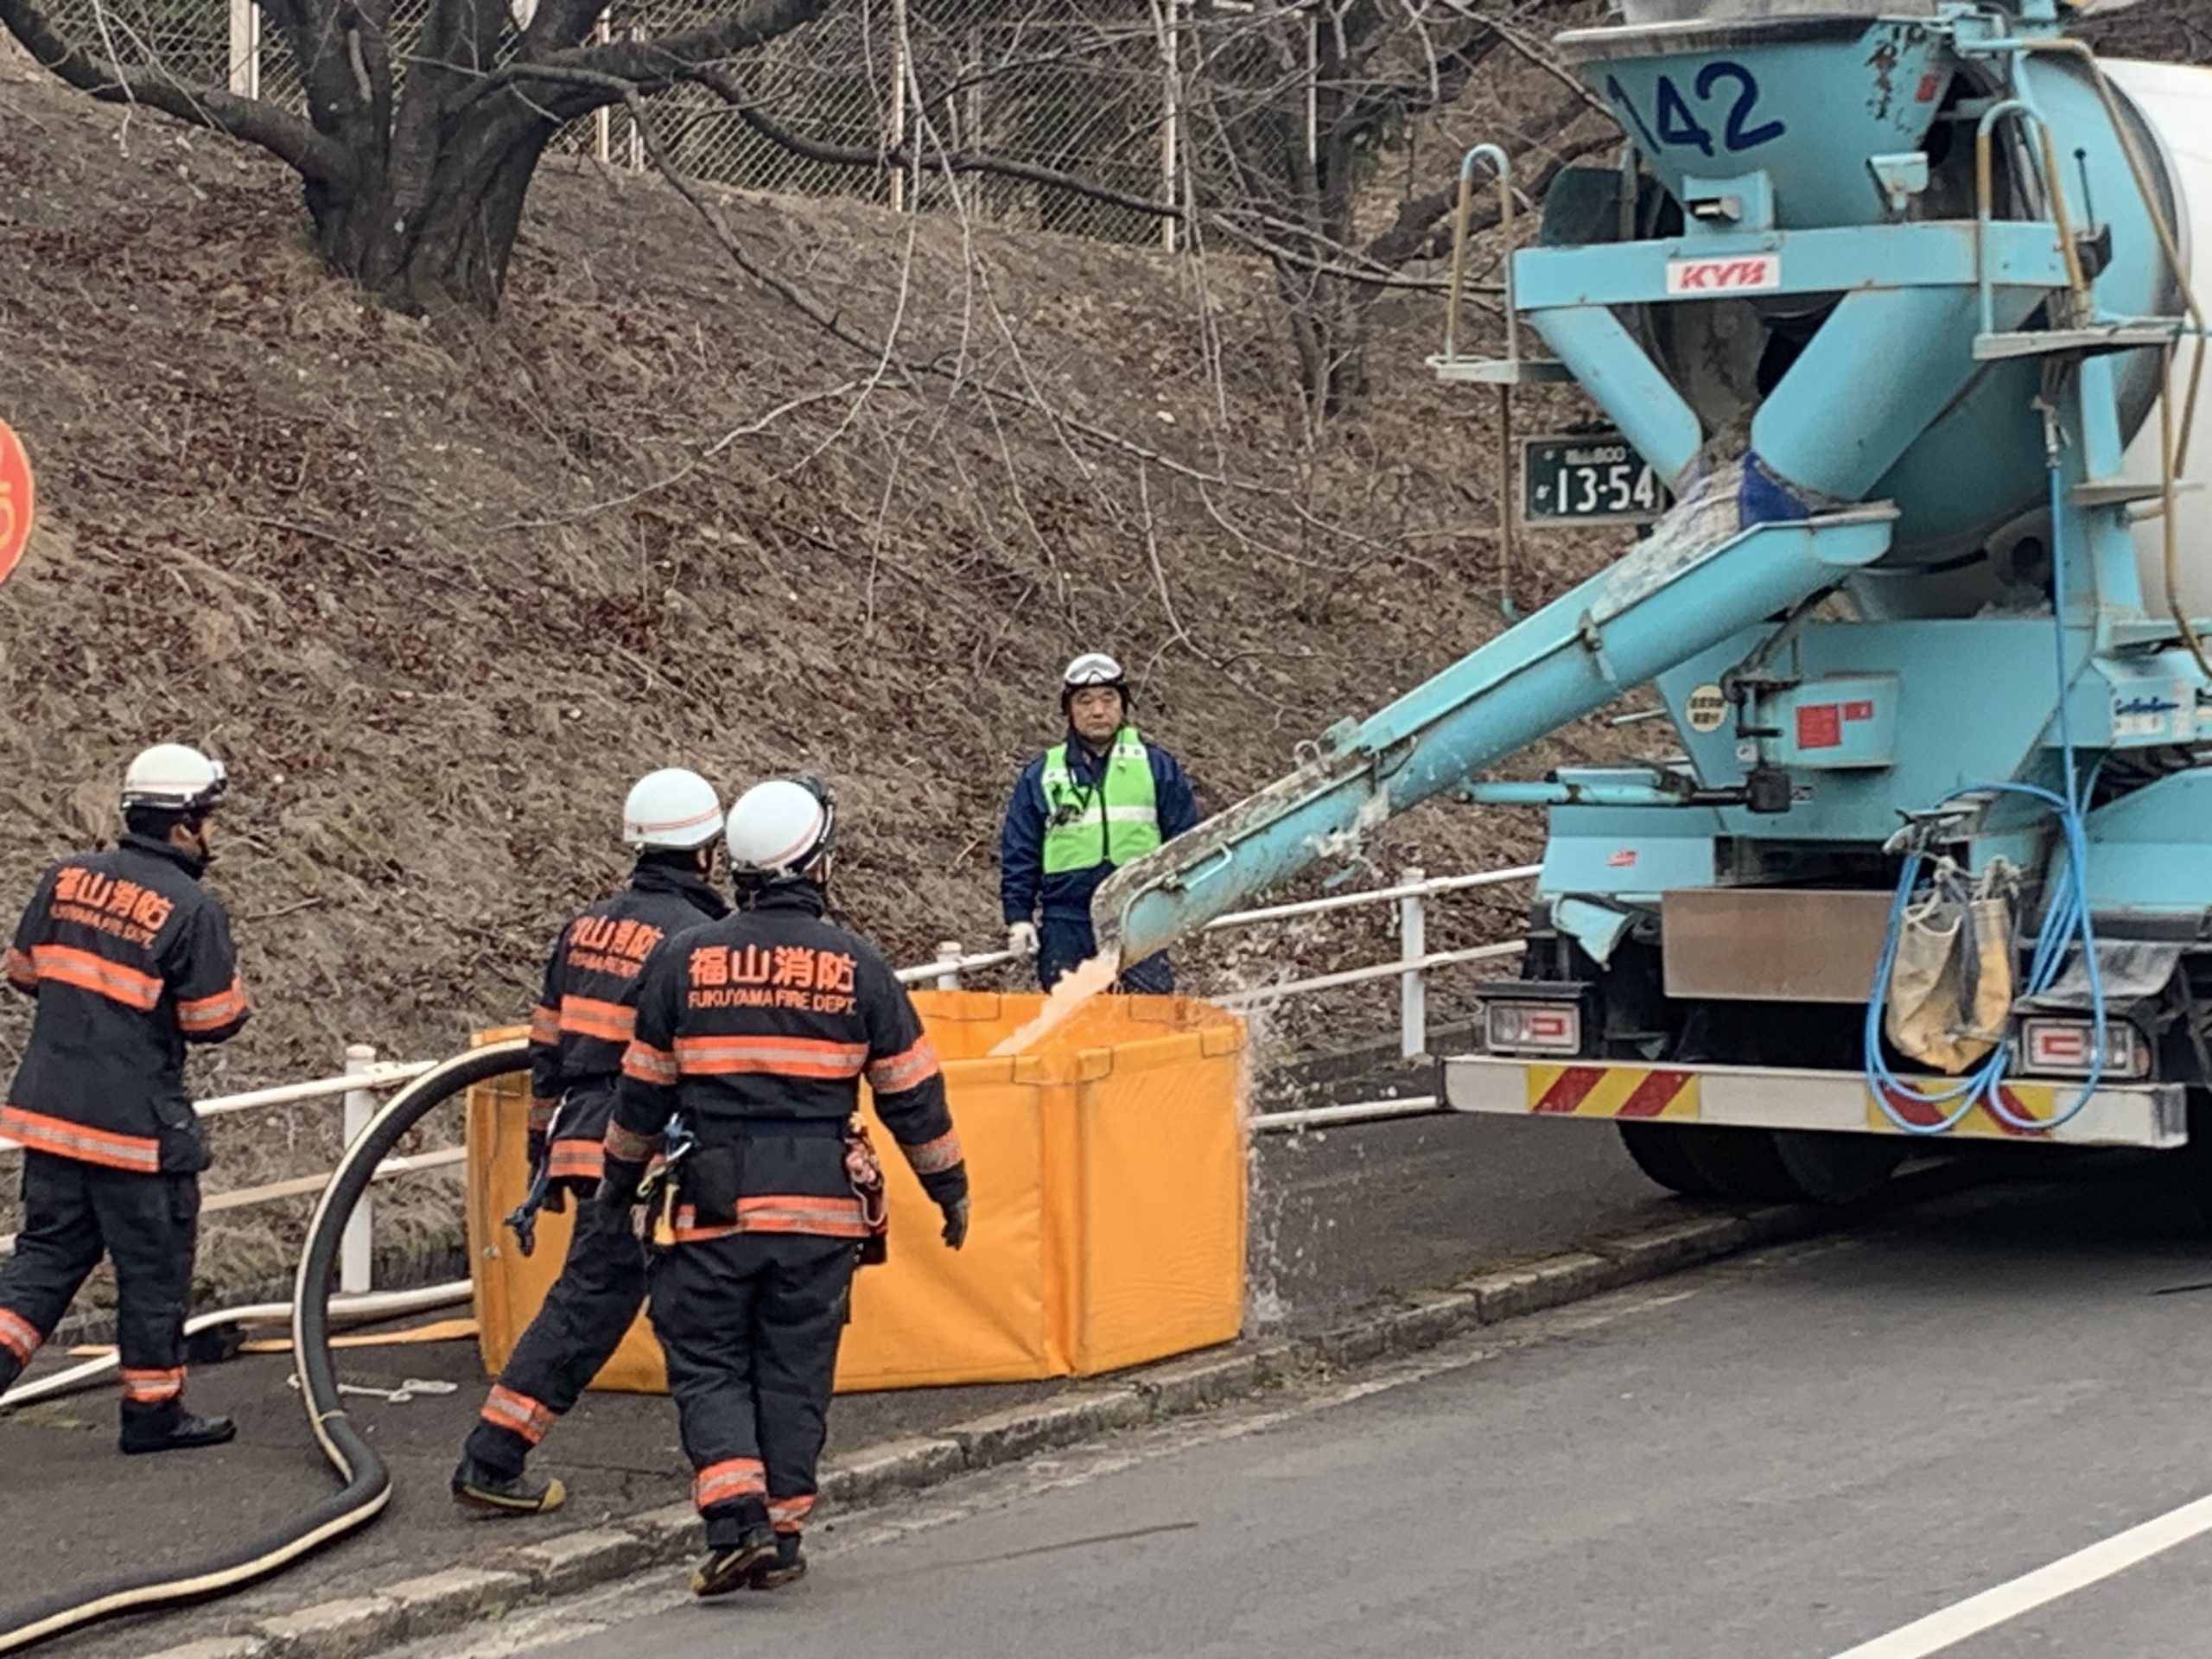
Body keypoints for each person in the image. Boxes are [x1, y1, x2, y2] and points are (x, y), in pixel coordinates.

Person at [596, 774, 970, 1596]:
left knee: (708, 1358)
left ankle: (737, 1519)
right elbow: (912, 1095)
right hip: (821, 1209)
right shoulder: (859, 966)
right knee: (795, 1367)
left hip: (713, 1202)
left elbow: (641, 1094)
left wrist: (616, 1185)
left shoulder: (684, 959)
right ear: (817, 866)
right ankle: (786, 1530)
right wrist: (950, 1190)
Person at [451, 767, 730, 1516]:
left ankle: (735, 1471)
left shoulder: (586, 927)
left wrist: (540, 1150)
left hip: (582, 1139)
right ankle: (493, 1456)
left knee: (600, 1301)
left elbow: (546, 1045)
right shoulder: (695, 939)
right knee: (635, 1310)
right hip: (650, 1153)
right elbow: (690, 1062)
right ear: (706, 852)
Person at [0, 744, 249, 1452]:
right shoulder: (193, 907)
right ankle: (153, 1414)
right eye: (208, 820)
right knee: (153, 1274)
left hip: (51, 1116)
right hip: (137, 1131)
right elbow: (213, 1020)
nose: (211, 834)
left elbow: (23, 973)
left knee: (42, 1265)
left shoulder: (65, 878)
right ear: (183, 824)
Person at [999, 652, 1201, 994]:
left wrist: (1181, 904)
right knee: (1070, 1020)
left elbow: (1186, 842)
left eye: (1108, 699)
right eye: (1085, 700)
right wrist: (1019, 917)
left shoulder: (1156, 767)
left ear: (1123, 706)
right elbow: (1020, 851)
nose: (1097, 710)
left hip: (1140, 916)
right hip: (1066, 923)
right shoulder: (1042, 774)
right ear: (1069, 709)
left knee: (1146, 1016)